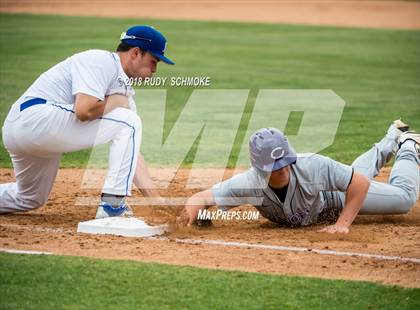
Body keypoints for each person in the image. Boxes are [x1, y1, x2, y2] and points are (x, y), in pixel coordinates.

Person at [0, 25, 174, 218]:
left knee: (29, 197)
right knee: (129, 122)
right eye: (153, 61)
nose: (155, 70)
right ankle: (112, 206)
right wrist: (116, 102)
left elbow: (130, 151)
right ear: (135, 53)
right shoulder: (101, 61)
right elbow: (83, 110)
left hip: (32, 132)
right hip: (33, 118)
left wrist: (154, 198)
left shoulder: (124, 92)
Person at [182, 120, 420, 233]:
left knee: (404, 200)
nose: (283, 168)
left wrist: (342, 224)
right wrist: (189, 221)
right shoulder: (249, 184)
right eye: (275, 165)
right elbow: (200, 198)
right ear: (260, 167)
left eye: (285, 161)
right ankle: (394, 134)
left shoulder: (312, 166)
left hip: (333, 199)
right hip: (328, 196)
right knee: (351, 173)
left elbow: (357, 183)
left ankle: (409, 145)